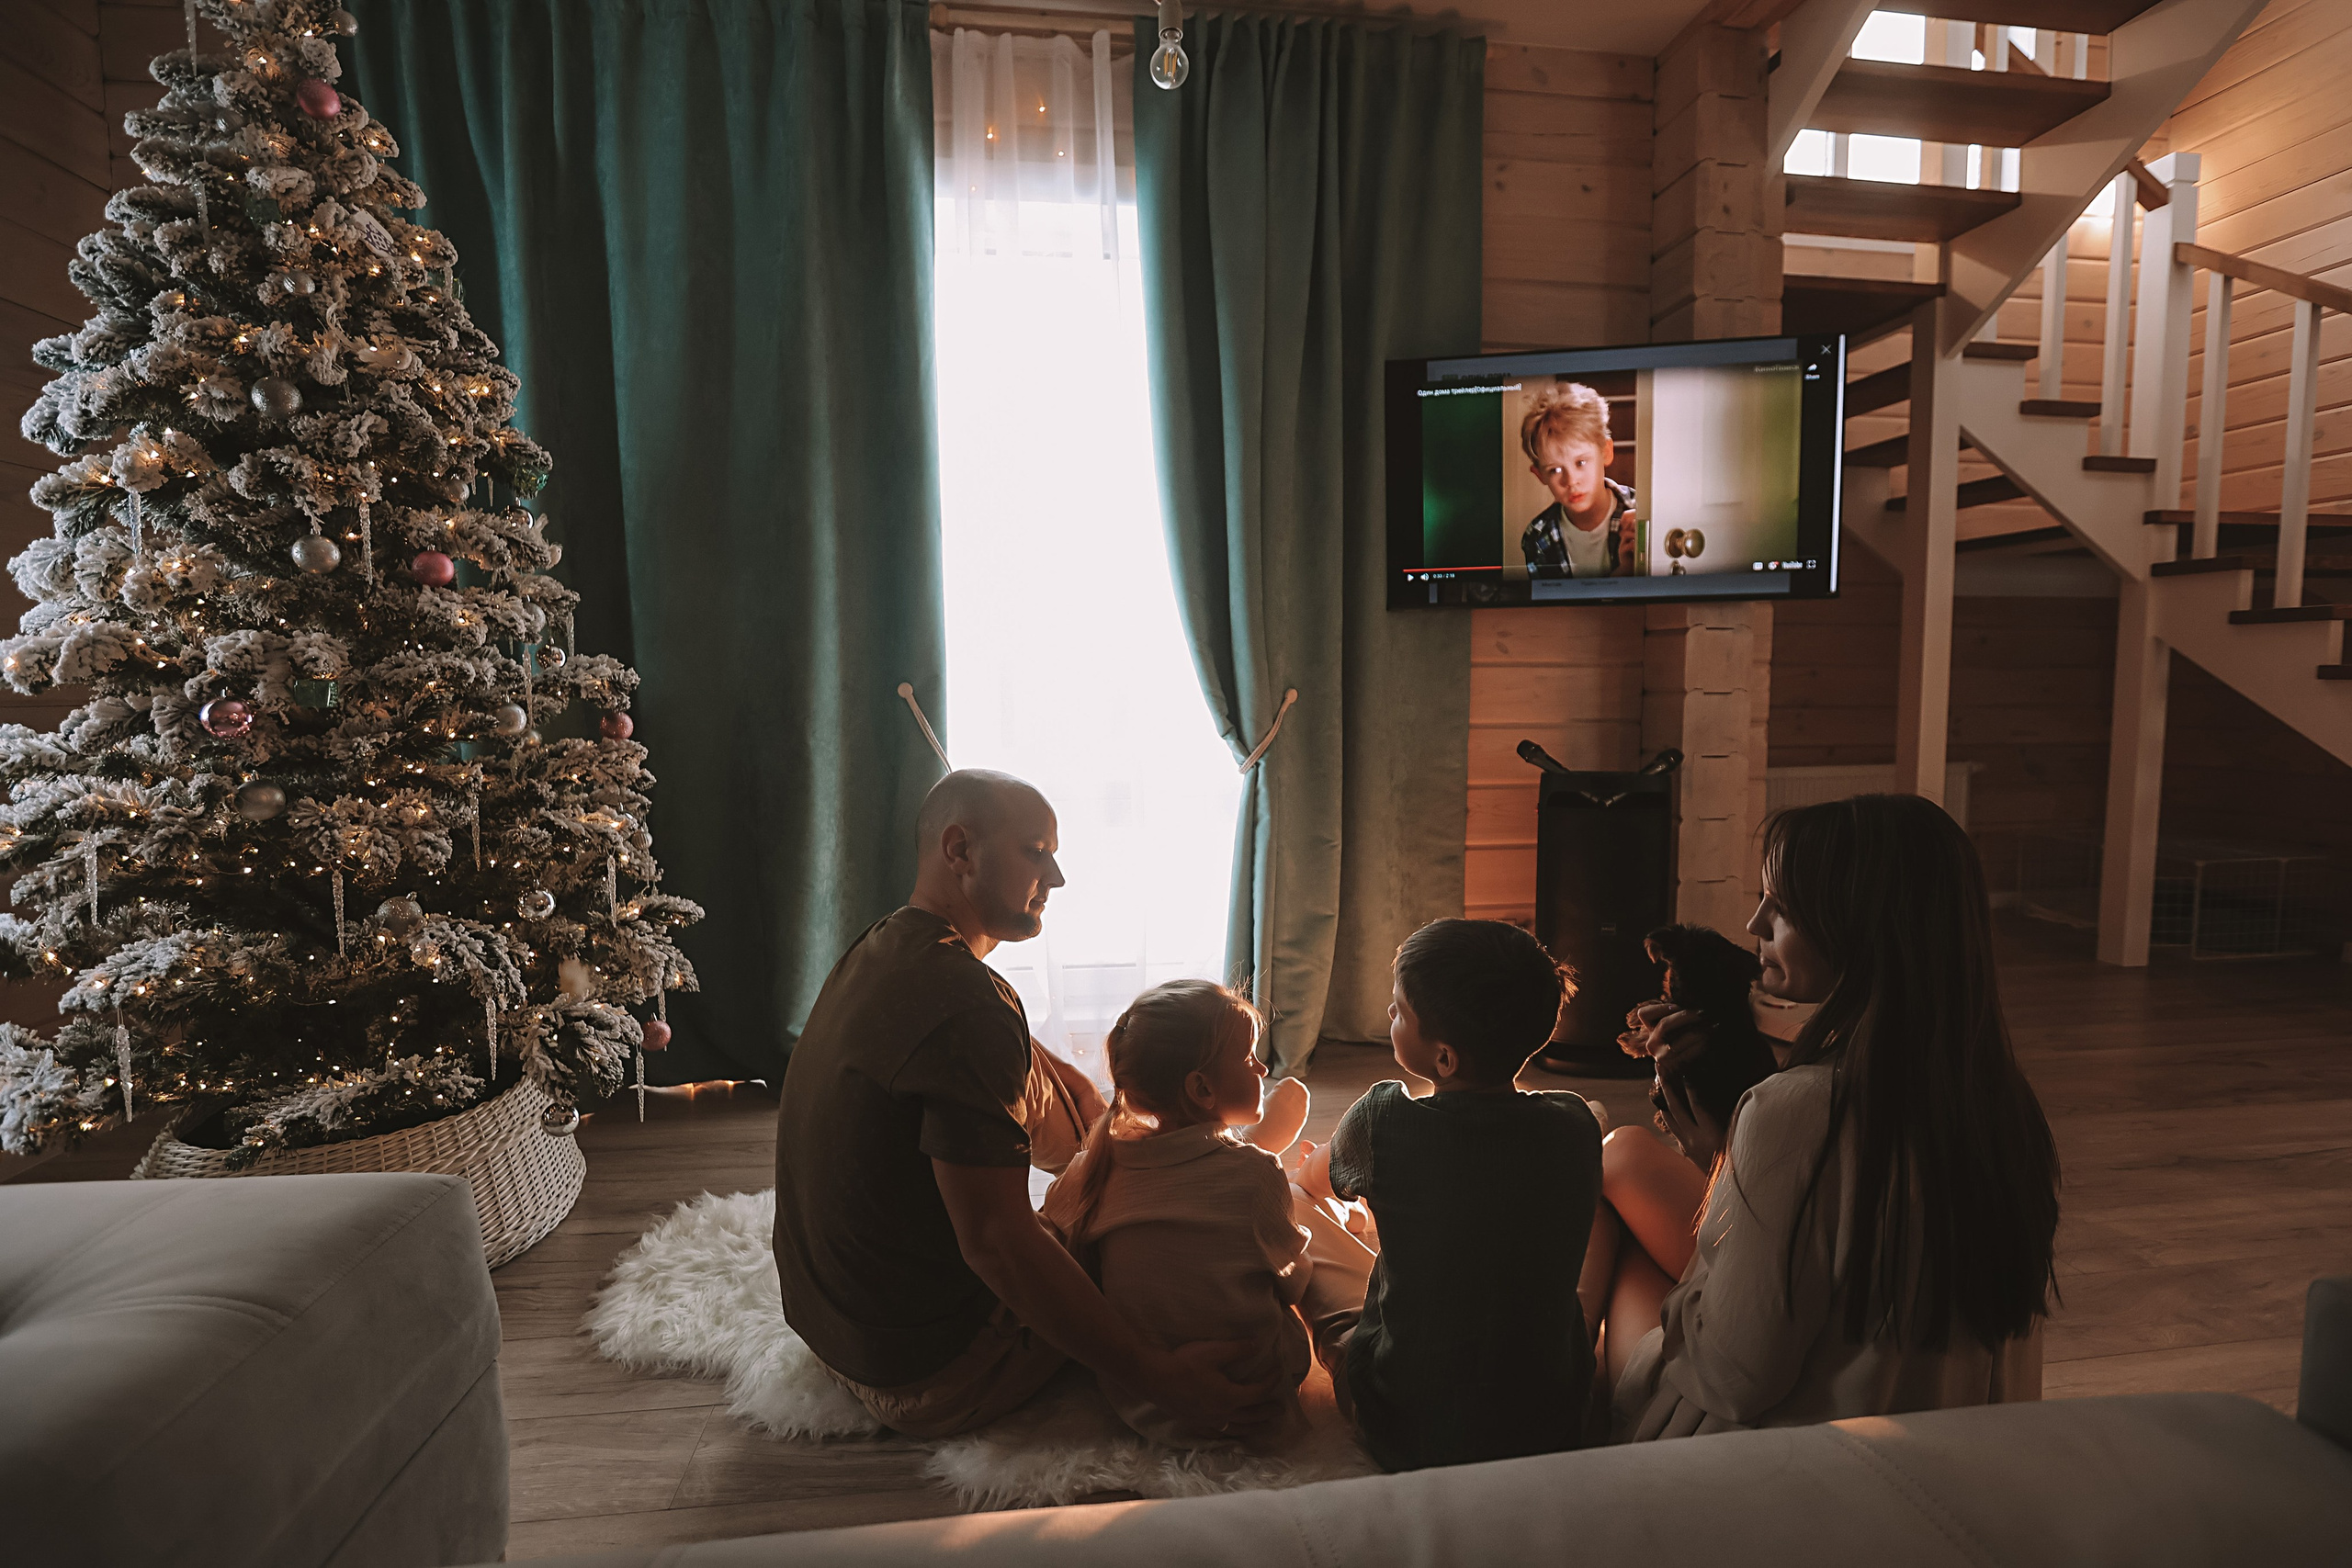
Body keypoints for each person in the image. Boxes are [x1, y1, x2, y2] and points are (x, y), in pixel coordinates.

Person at [772, 769, 1280, 1439]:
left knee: (1034, 1070)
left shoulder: (888, 946)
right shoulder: (970, 1010)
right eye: (1037, 851)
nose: (1059, 876)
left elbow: (1010, 1053)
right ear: (960, 850)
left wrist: (1090, 1111)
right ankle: (1180, 1169)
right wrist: (1149, 1371)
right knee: (1163, 1235)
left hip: (826, 1321)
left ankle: (1124, 1153)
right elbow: (996, 1245)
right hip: (928, 1371)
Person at [1608, 794, 2062, 1439]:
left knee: (1619, 1246)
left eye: (1782, 906)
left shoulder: (1798, 1109)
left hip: (1799, 1468)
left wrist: (1723, 1176)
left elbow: (1732, 1374)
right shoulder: (2001, 1103)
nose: (1754, 921)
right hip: (1961, 1456)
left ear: (1862, 926)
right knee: (1623, 1161)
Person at [1295, 919, 1603, 1471]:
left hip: (1407, 1428)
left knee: (1293, 1204)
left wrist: (1319, 1171)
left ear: (1443, 1059)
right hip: (1552, 1423)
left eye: (1398, 1010)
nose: (1389, 1016)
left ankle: (1341, 1348)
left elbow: (1314, 1178)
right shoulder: (1576, 1124)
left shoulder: (1381, 1119)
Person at [1040, 980, 1315, 1448]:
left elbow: (1057, 1239)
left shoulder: (1095, 1166)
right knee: (1302, 1236)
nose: (1262, 1066)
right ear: (1201, 1088)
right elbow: (1291, 1281)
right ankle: (1277, 1155)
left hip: (1142, 1407)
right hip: (1254, 1390)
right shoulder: (1256, 1175)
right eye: (1249, 1058)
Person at [1520, 382, 1637, 580]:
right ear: (1540, 475)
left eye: (1581, 462)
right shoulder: (1537, 536)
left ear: (1606, 452)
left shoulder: (1641, 514)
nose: (1571, 481)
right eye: (1555, 470)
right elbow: (1558, 609)